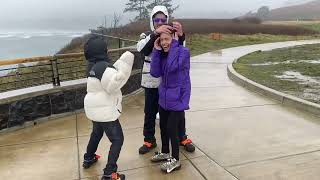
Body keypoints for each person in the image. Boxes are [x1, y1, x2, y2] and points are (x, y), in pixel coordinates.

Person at [136, 5, 195, 155]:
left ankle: (182, 137)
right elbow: (142, 50)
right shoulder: (146, 35)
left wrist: (181, 36)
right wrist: (156, 34)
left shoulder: (172, 34)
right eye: (157, 19)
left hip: (170, 82)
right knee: (149, 111)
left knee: (177, 112)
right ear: (152, 20)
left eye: (163, 19)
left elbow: (180, 51)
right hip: (151, 80)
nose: (160, 22)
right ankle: (149, 139)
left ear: (167, 19)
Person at [82, 35, 134, 180]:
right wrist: (126, 65)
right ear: (102, 51)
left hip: (95, 109)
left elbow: (107, 74)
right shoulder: (103, 67)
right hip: (105, 111)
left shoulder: (91, 66)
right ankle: (110, 173)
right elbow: (113, 84)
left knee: (96, 134)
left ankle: (88, 158)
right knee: (117, 139)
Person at [150, 31, 191, 173]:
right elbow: (155, 73)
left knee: (172, 129)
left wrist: (173, 45)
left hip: (178, 96)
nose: (164, 42)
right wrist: (156, 51)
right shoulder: (162, 53)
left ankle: (175, 159)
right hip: (165, 97)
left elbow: (173, 67)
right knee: (163, 126)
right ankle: (166, 152)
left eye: (167, 39)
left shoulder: (183, 52)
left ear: (173, 38)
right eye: (161, 40)